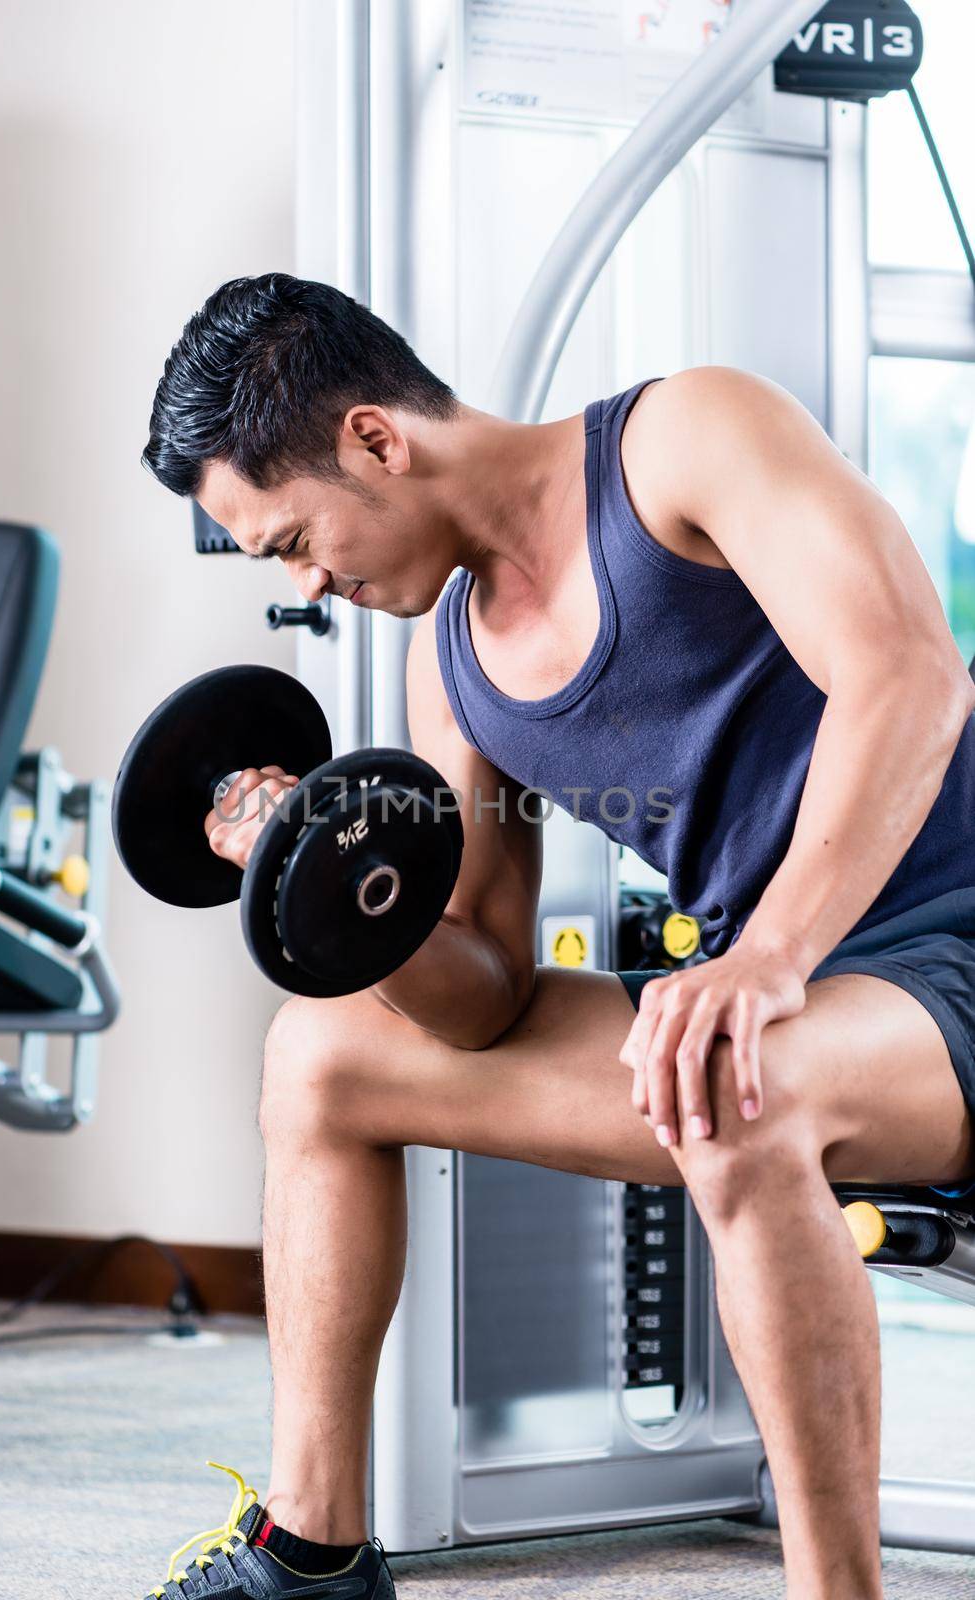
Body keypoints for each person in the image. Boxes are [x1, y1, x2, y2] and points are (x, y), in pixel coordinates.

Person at [137, 272, 975, 1600]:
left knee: (729, 1086)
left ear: (374, 439)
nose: (308, 583)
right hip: (794, 997)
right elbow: (484, 993)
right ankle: (313, 1556)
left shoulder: (687, 441)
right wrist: (330, 871)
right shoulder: (453, 668)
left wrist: (764, 959)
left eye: (292, 540)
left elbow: (915, 675)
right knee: (323, 1056)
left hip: (939, 956)